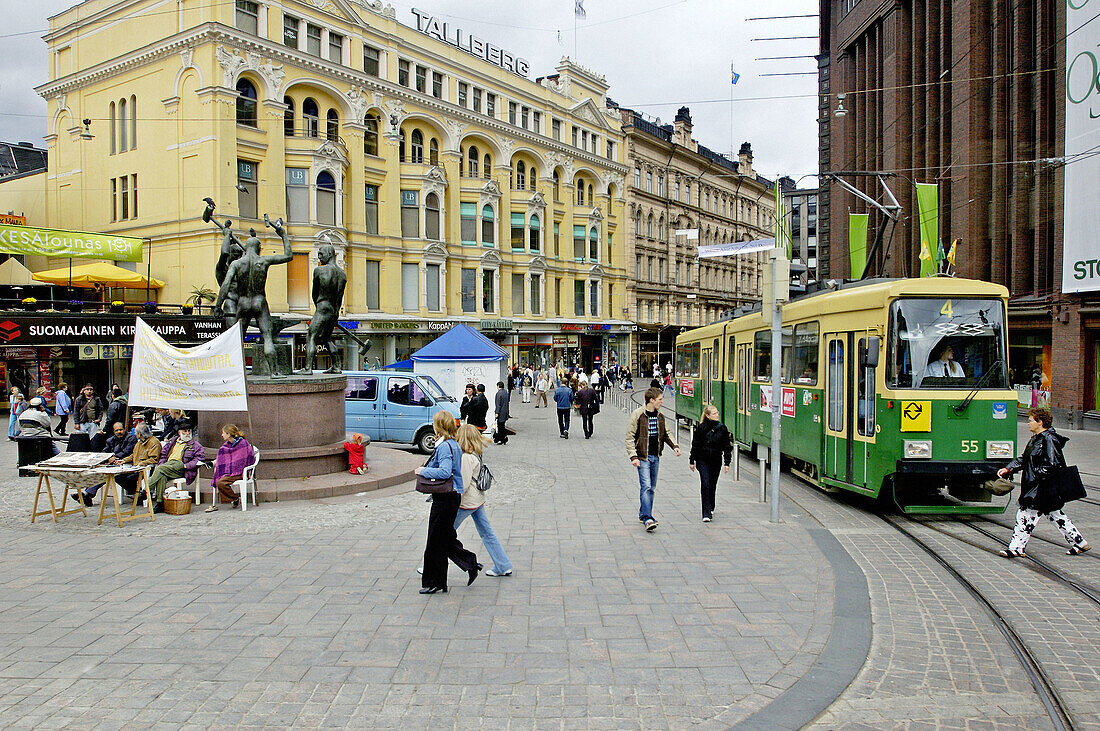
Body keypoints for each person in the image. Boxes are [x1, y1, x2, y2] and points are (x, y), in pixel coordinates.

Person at [996, 407, 1090, 557]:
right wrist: (1008, 469)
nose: (1028, 424)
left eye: (1030, 421)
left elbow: (1053, 464)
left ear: (1040, 422)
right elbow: (1025, 459)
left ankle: (1016, 548)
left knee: (1024, 516)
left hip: (1040, 489)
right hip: (1043, 489)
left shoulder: (1048, 439)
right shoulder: (1036, 438)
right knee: (1055, 515)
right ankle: (1078, 542)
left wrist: (1036, 475)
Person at [414, 411, 479, 594]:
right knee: (445, 537)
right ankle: (470, 564)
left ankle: (435, 581)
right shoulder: (453, 444)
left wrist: (422, 471)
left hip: (445, 498)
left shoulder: (444, 447)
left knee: (435, 540)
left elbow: (444, 472)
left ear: (439, 426)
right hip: (452, 496)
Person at [455, 424, 513, 577]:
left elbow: (464, 485)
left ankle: (430, 564)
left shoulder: (465, 457)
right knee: (487, 532)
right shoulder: (475, 453)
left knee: (442, 531)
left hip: (467, 502)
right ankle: (503, 564)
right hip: (477, 499)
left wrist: (453, 501)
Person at [626, 387, 681, 532]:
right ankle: (648, 518)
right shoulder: (638, 414)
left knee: (651, 488)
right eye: (660, 399)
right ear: (652, 400)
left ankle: (643, 512)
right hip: (642, 456)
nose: (662, 402)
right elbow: (630, 437)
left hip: (655, 456)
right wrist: (633, 456)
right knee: (646, 486)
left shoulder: (660, 416)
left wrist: (674, 446)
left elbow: (666, 433)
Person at [146, 420, 205, 514]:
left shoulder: (195, 445)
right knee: (161, 474)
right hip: (168, 466)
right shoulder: (172, 442)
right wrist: (162, 463)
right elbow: (163, 455)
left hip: (182, 467)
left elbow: (199, 459)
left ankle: (146, 490)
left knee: (160, 469)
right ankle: (160, 503)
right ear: (179, 432)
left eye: (189, 431)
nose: (187, 433)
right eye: (185, 431)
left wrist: (186, 466)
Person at [72, 422, 137, 506]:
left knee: (105, 474)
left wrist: (113, 457)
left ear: (124, 429)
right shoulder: (111, 440)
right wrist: (108, 458)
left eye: (120, 430)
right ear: (114, 431)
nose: (119, 432)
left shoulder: (131, 438)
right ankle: (87, 494)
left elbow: (127, 452)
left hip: (125, 464)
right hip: (112, 463)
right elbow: (104, 452)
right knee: (99, 473)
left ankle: (87, 494)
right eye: (116, 430)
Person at [689, 405, 733, 522]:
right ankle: (706, 512)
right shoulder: (701, 428)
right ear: (708, 415)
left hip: (716, 460)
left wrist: (727, 462)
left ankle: (711, 506)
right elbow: (695, 445)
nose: (717, 415)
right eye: (714, 413)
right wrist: (692, 460)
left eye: (717, 413)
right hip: (702, 460)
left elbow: (727, 447)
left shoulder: (722, 429)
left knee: (712, 484)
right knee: (705, 483)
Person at [206, 424, 254, 512]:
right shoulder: (226, 446)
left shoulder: (243, 444)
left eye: (223, 433)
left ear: (228, 434)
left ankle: (234, 499)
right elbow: (222, 458)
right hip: (230, 472)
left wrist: (233, 468)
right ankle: (234, 499)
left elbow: (242, 460)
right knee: (219, 481)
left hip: (240, 472)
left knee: (221, 482)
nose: (222, 435)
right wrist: (213, 463)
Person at [111, 421, 161, 499]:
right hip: (136, 468)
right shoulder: (139, 443)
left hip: (146, 469)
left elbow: (154, 459)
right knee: (117, 476)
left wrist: (141, 464)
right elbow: (133, 455)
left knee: (129, 479)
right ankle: (137, 493)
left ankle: (138, 495)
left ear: (140, 434)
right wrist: (124, 460)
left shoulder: (154, 443)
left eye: (136, 433)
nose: (135, 435)